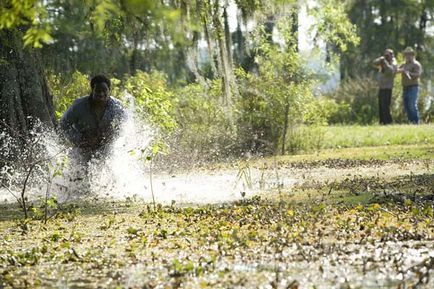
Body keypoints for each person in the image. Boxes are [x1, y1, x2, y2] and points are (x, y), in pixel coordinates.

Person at [60, 75, 126, 160]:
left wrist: (113, 134)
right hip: (82, 148)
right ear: (92, 91)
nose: (101, 94)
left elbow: (126, 124)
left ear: (109, 90)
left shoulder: (117, 106)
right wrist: (79, 139)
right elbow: (63, 123)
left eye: (104, 90)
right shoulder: (79, 106)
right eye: (98, 91)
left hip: (106, 148)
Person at [397, 47, 423, 124]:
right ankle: (411, 122)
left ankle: (416, 122)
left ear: (413, 55)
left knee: (412, 105)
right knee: (406, 106)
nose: (408, 56)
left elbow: (417, 75)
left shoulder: (416, 64)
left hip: (413, 87)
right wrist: (402, 70)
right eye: (406, 55)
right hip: (405, 88)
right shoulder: (403, 64)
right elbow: (396, 70)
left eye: (409, 55)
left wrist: (408, 72)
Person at [372, 49, 397, 124]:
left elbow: (390, 71)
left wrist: (385, 63)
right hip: (381, 87)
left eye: (388, 55)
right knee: (381, 105)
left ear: (392, 55)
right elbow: (374, 63)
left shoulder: (394, 63)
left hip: (388, 87)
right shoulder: (383, 61)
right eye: (385, 55)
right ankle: (382, 121)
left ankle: (388, 121)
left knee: (386, 106)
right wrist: (381, 59)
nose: (387, 56)